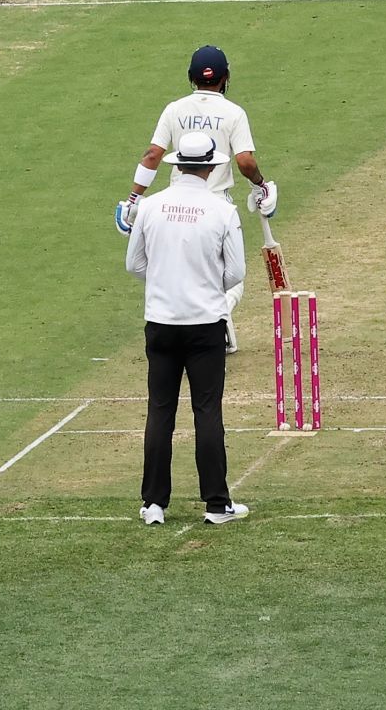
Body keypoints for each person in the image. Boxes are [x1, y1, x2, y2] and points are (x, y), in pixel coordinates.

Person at [117, 45, 274, 355]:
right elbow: (244, 161)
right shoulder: (234, 113)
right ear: (226, 77)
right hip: (217, 207)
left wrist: (134, 198)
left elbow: (152, 155)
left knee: (179, 267)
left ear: (191, 77)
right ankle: (220, 314)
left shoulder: (175, 109)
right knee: (232, 275)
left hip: (175, 204)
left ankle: (189, 323)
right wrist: (261, 185)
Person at [126, 133, 250, 526]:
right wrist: (203, 285)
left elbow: (135, 265)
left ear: (176, 164)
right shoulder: (220, 210)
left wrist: (167, 281)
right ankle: (216, 504)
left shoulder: (150, 206)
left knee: (160, 411)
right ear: (211, 167)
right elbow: (235, 273)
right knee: (207, 411)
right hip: (205, 324)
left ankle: (154, 504)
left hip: (161, 322)